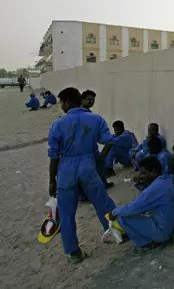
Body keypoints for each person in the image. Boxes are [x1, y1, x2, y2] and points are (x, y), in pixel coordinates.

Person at [47, 87, 116, 264]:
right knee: (102, 202)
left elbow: (54, 156)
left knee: (66, 213)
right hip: (88, 165)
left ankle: (73, 252)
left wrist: (52, 180)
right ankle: (116, 231)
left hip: (66, 170)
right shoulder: (96, 119)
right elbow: (108, 141)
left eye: (62, 103)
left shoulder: (58, 124)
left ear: (68, 102)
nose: (61, 106)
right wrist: (99, 160)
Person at [108, 156, 174, 256]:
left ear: (153, 171)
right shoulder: (166, 179)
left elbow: (131, 209)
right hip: (172, 227)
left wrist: (114, 211)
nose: (141, 176)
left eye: (144, 173)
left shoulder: (154, 188)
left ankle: (146, 244)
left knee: (122, 216)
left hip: (163, 231)